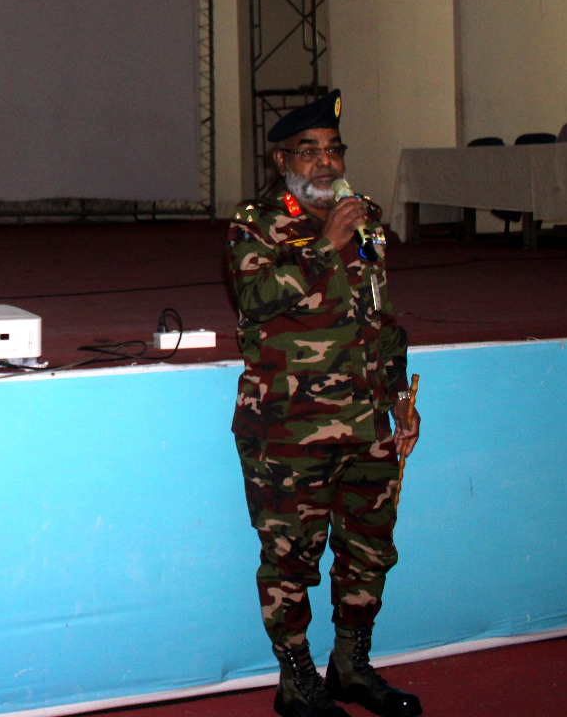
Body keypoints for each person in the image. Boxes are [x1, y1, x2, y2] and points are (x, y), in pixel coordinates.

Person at [226, 89, 422, 717]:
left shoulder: (365, 221)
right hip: (289, 428)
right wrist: (324, 245)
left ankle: (351, 667)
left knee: (369, 550)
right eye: (308, 151)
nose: (325, 162)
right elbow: (254, 299)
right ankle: (296, 683)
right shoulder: (256, 224)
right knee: (291, 559)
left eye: (333, 150)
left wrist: (400, 397)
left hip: (368, 422)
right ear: (282, 159)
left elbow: (382, 317)